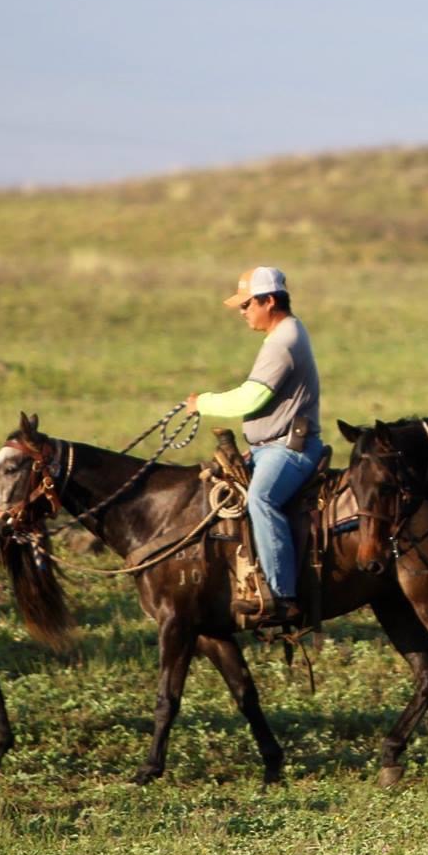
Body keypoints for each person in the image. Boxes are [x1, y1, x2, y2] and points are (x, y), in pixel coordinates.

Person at [186, 266, 321, 629]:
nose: (242, 311)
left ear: (269, 301)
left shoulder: (283, 342)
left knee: (262, 498)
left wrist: (204, 403)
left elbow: (251, 398)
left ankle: (283, 597)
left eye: (247, 304)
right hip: (269, 446)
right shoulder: (286, 333)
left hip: (288, 450)